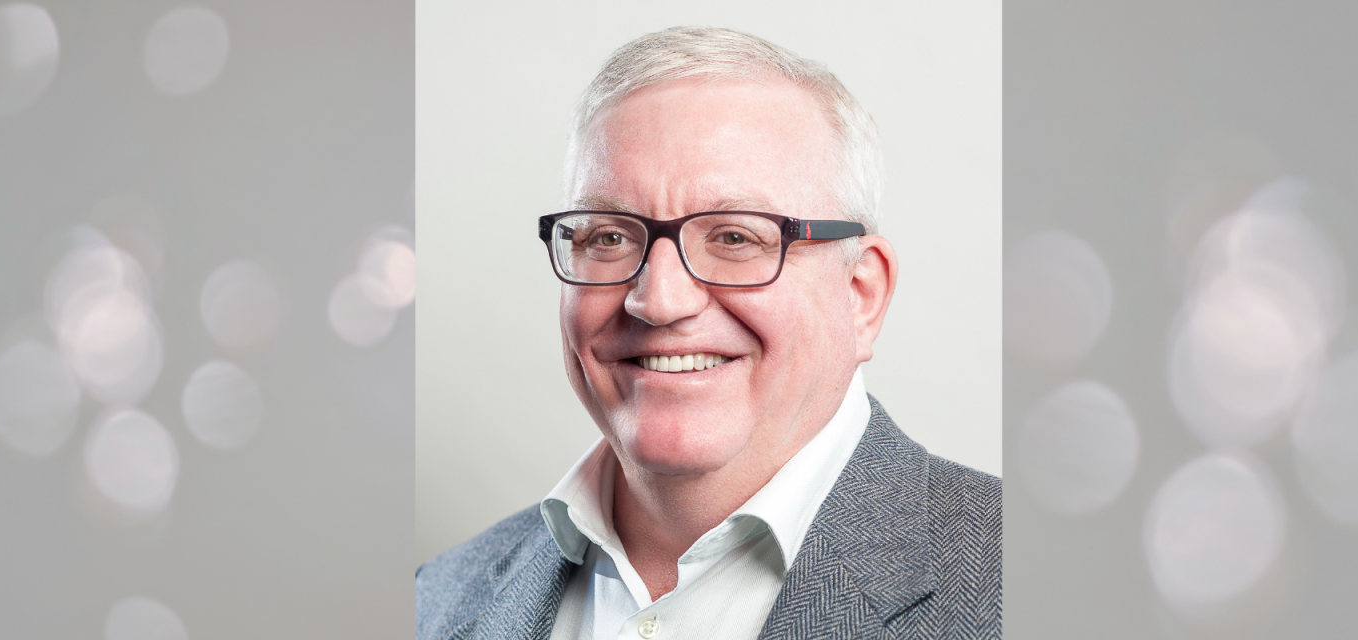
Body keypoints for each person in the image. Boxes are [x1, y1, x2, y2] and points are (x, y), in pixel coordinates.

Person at [416, 26, 1000, 640]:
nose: (658, 301)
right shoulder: (436, 600)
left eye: (735, 237)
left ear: (861, 294)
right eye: (609, 237)